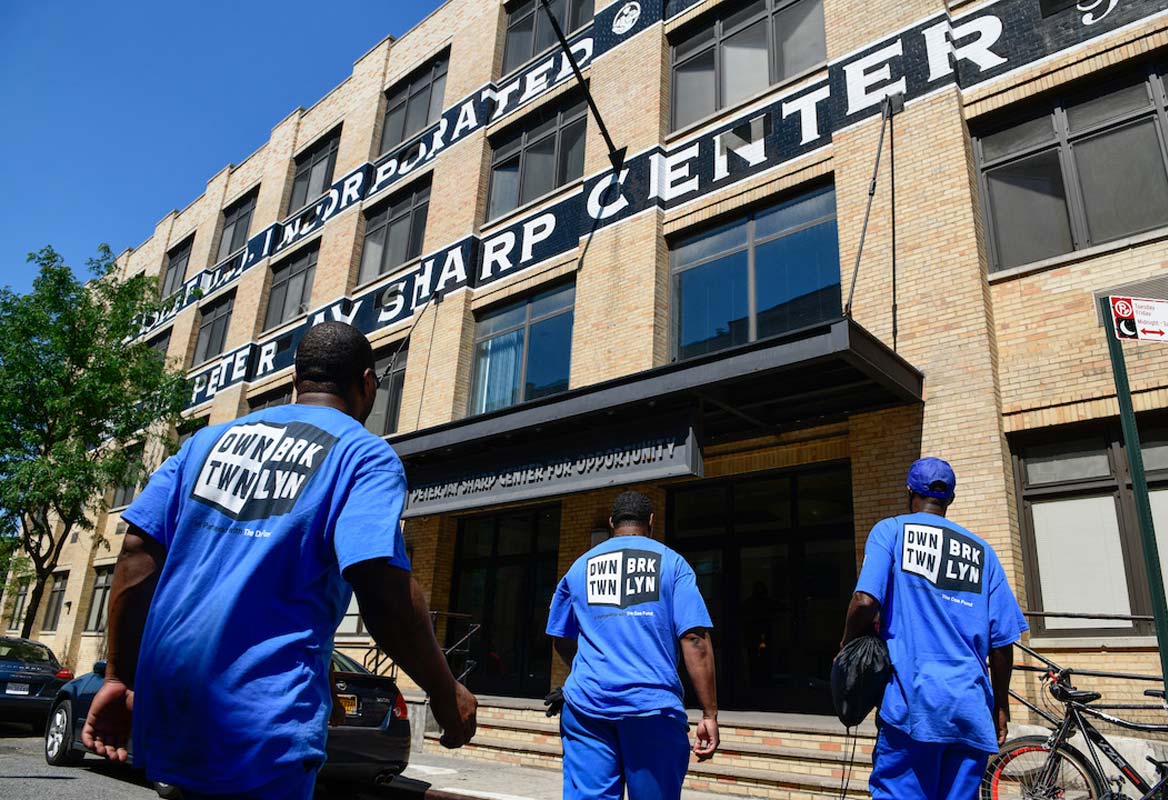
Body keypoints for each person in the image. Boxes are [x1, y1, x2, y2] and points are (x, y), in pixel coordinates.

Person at [82, 321, 477, 799]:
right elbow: (381, 588)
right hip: (262, 717)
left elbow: (136, 553)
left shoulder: (206, 443)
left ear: (296, 379)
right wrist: (443, 689)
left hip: (173, 703)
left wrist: (119, 676)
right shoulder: (363, 455)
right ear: (368, 383)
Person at [840, 457, 1027, 800]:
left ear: (909, 491)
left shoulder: (892, 531)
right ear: (950, 498)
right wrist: (1000, 706)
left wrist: (845, 650)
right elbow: (1001, 644)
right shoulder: (982, 552)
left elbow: (865, 601)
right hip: (969, 711)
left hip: (913, 706)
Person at [546, 490, 718, 800]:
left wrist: (595, 669)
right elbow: (694, 639)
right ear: (651, 522)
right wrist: (709, 714)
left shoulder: (579, 567)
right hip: (651, 711)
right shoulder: (673, 564)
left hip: (586, 707)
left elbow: (561, 637)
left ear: (612, 523)